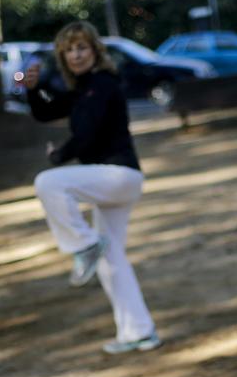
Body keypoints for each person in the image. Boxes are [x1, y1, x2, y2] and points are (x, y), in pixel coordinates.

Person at [23, 21, 160, 354]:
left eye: (81, 47)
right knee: (112, 258)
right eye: (69, 50)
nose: (75, 54)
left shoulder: (102, 83)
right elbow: (47, 110)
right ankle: (138, 332)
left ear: (95, 50)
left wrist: (58, 155)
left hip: (118, 175)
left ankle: (83, 244)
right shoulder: (83, 89)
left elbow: (87, 135)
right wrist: (32, 87)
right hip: (110, 179)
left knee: (47, 183)